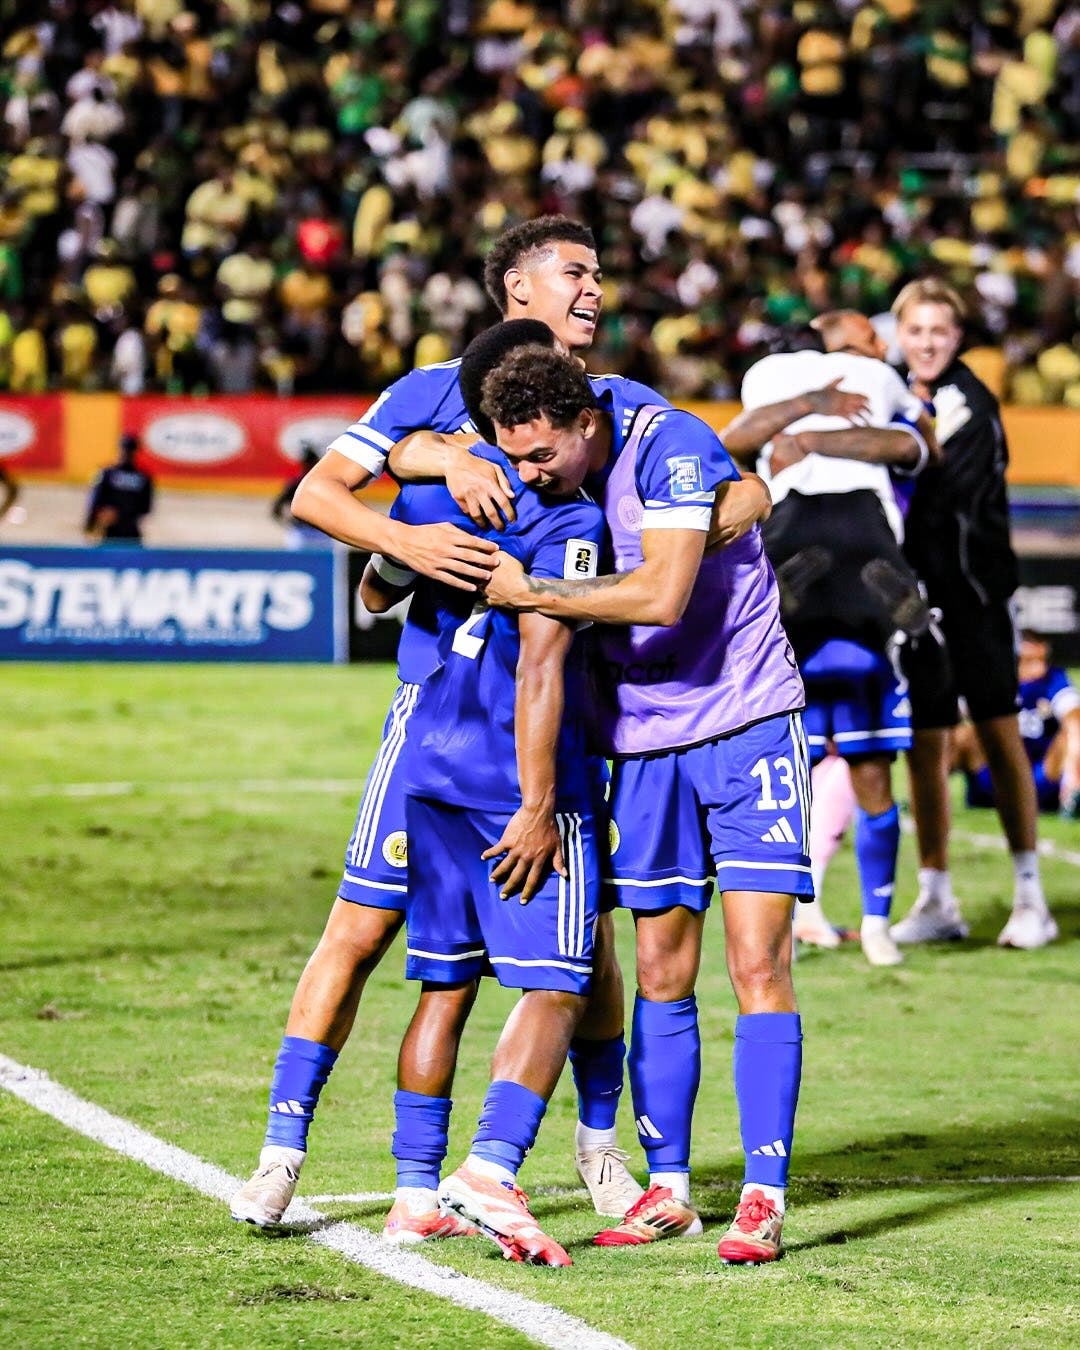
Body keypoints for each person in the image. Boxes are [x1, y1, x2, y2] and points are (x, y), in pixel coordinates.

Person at [230, 215, 770, 1234]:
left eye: (600, 274)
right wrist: (411, 527)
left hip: (573, 711)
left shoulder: (616, 402)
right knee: (366, 928)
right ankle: (281, 1153)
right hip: (438, 706)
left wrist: (700, 524)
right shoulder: (430, 392)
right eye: (576, 272)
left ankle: (598, 1153)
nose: (595, 289)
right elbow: (324, 501)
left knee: (585, 946)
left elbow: (741, 485)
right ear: (518, 286)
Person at [483, 345, 808, 1266]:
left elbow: (664, 594)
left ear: (586, 424)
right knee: (661, 968)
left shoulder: (663, 441)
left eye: (541, 455)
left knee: (757, 960)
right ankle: (670, 1189)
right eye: (514, 457)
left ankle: (763, 1195)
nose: (527, 473)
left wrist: (533, 590)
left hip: (746, 717)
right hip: (640, 739)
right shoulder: (556, 450)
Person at [365, 447, 607, 1266]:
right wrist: (539, 807)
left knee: (445, 984)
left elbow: (375, 592)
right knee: (559, 983)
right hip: (516, 782)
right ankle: (491, 1171)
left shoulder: (439, 494)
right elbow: (542, 662)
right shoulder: (574, 518)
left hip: (433, 762)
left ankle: (413, 1196)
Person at [724, 313, 938, 966]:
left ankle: (824, 921)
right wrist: (825, 415)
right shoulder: (874, 378)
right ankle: (864, 922)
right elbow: (917, 447)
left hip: (802, 550)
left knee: (802, 781)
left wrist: (808, 429)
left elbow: (733, 441)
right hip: (858, 555)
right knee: (861, 777)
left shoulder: (773, 378)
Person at [887, 279, 1058, 950]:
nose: (927, 342)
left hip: (976, 597)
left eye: (939, 331)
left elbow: (930, 484)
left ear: (957, 338)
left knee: (997, 729)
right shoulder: (891, 392)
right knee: (926, 741)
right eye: (916, 330)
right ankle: (936, 897)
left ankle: (1031, 897)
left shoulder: (972, 404)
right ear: (900, 334)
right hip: (916, 601)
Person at [952, 631, 1080, 819]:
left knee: (1073, 733)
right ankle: (927, 793)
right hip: (995, 774)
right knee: (962, 734)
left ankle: (1071, 797)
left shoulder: (1054, 680)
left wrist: (1073, 773)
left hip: (1040, 777)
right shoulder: (995, 678)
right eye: (1028, 661)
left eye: (1042, 660)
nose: (1038, 668)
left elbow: (1074, 718)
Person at [83, 433, 154, 544]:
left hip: (108, 532)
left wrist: (89, 527)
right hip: (130, 532)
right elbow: (146, 508)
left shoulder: (106, 473)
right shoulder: (144, 477)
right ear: (136, 451)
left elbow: (94, 502)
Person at [271, 445, 333, 550]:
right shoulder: (297, 483)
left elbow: (276, 509)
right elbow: (276, 509)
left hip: (321, 533)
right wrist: (290, 524)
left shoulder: (324, 483)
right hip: (305, 532)